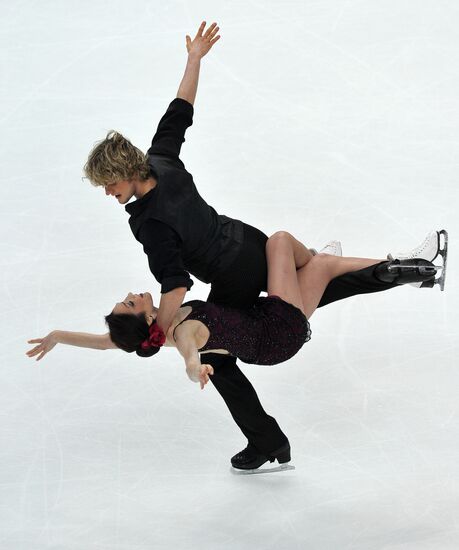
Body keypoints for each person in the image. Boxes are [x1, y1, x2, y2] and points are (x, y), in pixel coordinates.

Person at [55, 20, 446, 471]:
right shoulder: (161, 159)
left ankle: (267, 441)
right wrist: (194, 59)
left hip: (231, 272)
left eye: (109, 184)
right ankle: (397, 271)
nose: (108, 193)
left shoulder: (150, 224)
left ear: (125, 172)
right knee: (312, 281)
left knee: (220, 353)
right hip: (249, 239)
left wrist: (160, 333)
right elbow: (180, 110)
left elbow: (176, 284)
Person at [26, 230, 445, 469]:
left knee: (323, 269)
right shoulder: (184, 331)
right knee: (282, 243)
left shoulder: (161, 326)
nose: (134, 293)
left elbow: (104, 343)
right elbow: (191, 356)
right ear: (148, 320)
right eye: (132, 302)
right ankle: (391, 264)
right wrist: (196, 370)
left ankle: (404, 270)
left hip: (270, 327)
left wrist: (59, 335)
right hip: (277, 332)